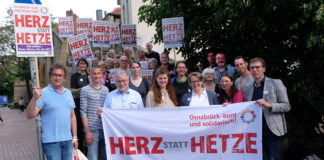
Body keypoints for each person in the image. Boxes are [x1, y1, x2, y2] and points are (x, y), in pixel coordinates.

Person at [26, 64, 78, 160]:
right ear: (50, 77)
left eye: (60, 75)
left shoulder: (68, 93)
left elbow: (72, 116)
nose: (57, 78)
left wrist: (74, 137)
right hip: (51, 141)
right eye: (55, 75)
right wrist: (34, 98)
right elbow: (30, 115)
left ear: (64, 78)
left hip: (67, 140)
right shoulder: (43, 93)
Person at [244, 57, 291, 160]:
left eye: (257, 67)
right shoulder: (248, 88)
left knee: (273, 157)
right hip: (255, 130)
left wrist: (268, 104)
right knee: (260, 157)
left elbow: (286, 106)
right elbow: (245, 109)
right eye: (252, 68)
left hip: (272, 129)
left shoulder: (276, 83)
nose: (255, 70)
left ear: (264, 68)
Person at [80, 66, 109, 160]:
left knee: (104, 157)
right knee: (93, 157)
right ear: (90, 75)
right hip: (92, 130)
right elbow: (83, 112)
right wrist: (87, 131)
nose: (96, 76)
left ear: (102, 74)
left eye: (98, 73)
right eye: (94, 73)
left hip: (105, 129)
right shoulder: (85, 90)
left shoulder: (106, 90)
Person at [70, 58, 90, 153]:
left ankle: (89, 148)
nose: (82, 65)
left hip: (90, 104)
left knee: (89, 127)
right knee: (79, 127)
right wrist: (84, 89)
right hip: (78, 104)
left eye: (84, 64)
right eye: (80, 64)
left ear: (87, 65)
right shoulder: (74, 76)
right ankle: (81, 149)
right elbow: (73, 91)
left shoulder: (90, 76)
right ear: (78, 65)